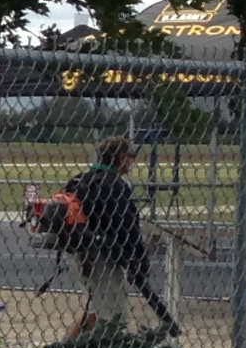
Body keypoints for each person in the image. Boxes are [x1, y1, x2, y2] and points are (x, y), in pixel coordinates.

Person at [63, 136, 183, 334]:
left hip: (78, 253)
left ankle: (67, 347)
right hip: (101, 257)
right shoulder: (115, 186)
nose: (132, 161)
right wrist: (140, 261)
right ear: (120, 158)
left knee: (97, 310)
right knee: (113, 317)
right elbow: (128, 230)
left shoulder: (81, 180)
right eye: (130, 156)